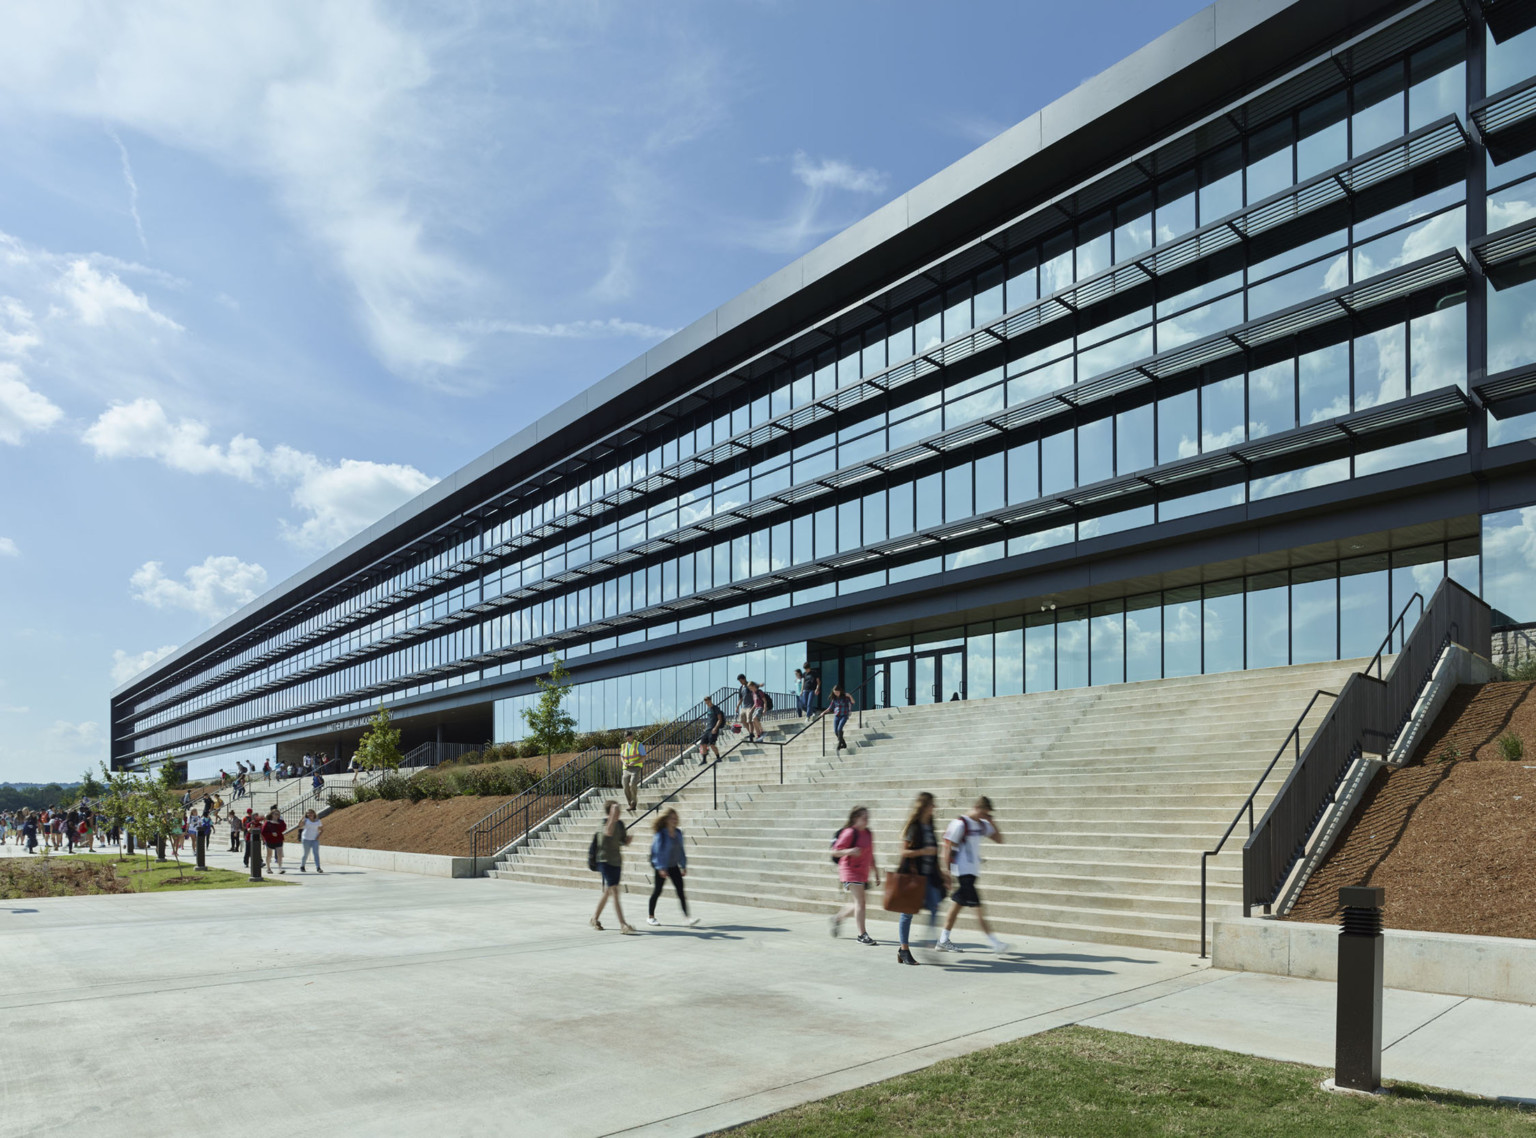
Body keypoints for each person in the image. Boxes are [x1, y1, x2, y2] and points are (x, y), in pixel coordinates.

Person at [937, 797, 1008, 954]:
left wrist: (992, 821)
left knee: (956, 907)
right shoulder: (960, 823)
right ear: (976, 807)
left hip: (972, 873)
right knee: (978, 909)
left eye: (987, 814)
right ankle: (995, 943)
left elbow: (1000, 839)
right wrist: (946, 872)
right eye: (983, 812)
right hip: (963, 873)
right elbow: (947, 847)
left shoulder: (982, 824)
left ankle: (943, 940)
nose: (985, 816)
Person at [894, 792, 948, 965]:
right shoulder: (914, 827)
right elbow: (904, 852)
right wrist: (923, 851)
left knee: (934, 908)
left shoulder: (930, 825)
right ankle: (904, 950)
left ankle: (928, 943)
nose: (935, 807)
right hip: (913, 877)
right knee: (907, 913)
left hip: (929, 877)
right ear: (925, 806)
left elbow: (935, 853)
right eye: (932, 804)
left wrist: (942, 873)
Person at [830, 806, 881, 945]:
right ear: (855, 818)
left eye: (867, 817)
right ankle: (862, 935)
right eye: (863, 817)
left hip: (863, 872)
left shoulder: (868, 833)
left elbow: (871, 854)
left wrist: (876, 871)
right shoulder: (849, 832)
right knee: (861, 903)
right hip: (849, 870)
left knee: (858, 904)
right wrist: (850, 851)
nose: (866, 820)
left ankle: (837, 918)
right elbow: (834, 852)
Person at [646, 809, 699, 927]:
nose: (674, 820)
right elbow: (656, 852)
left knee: (680, 891)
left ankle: (687, 918)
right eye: (672, 818)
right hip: (662, 866)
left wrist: (683, 865)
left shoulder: (678, 833)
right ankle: (651, 917)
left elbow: (681, 850)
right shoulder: (660, 834)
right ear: (666, 820)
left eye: (675, 818)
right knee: (657, 891)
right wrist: (660, 868)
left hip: (673, 866)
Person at [591, 801, 636, 934]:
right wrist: (612, 816)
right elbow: (608, 833)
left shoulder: (620, 824)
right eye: (615, 810)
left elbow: (622, 840)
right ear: (609, 812)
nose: (618, 812)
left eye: (619, 810)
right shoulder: (603, 824)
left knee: (608, 891)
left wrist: (628, 840)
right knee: (614, 890)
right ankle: (623, 924)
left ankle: (594, 918)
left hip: (616, 862)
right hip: (604, 861)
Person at [619, 731, 646, 814]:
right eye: (626, 737)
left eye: (629, 737)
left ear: (632, 736)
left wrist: (635, 762)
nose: (628, 739)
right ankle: (630, 803)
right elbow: (622, 757)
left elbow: (644, 757)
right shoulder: (623, 746)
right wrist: (623, 762)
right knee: (625, 786)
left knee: (633, 784)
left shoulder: (638, 745)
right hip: (626, 769)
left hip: (636, 767)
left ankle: (633, 803)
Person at [824, 683, 856, 751]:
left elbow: (853, 702)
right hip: (837, 716)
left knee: (839, 729)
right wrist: (823, 713)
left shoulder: (845, 697)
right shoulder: (834, 699)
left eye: (838, 692)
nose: (836, 693)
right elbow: (830, 708)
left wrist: (849, 696)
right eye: (835, 692)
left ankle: (839, 743)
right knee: (836, 731)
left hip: (844, 715)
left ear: (840, 691)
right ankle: (843, 743)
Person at [697, 696, 726, 765]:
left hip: (714, 729)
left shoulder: (716, 708)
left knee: (712, 744)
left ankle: (718, 757)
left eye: (707, 701)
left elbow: (720, 719)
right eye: (705, 702)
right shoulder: (708, 709)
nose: (706, 703)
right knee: (703, 743)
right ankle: (704, 760)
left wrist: (715, 728)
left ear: (710, 700)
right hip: (708, 729)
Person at [261, 807, 287, 873]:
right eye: (275, 814)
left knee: (280, 854)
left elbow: (284, 828)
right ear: (272, 814)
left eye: (278, 814)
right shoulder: (267, 823)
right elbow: (263, 832)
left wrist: (279, 826)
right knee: (269, 855)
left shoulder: (281, 822)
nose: (277, 815)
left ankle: (280, 868)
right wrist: (271, 834)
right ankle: (268, 868)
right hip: (270, 840)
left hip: (279, 839)